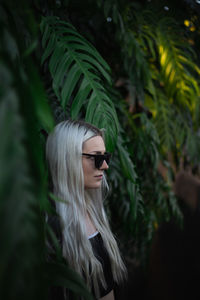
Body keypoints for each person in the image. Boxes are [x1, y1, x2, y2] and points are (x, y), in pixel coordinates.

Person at [46, 119, 127, 300]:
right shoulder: (51, 226)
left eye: (105, 157)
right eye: (97, 157)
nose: (105, 166)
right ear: (68, 158)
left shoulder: (94, 210)